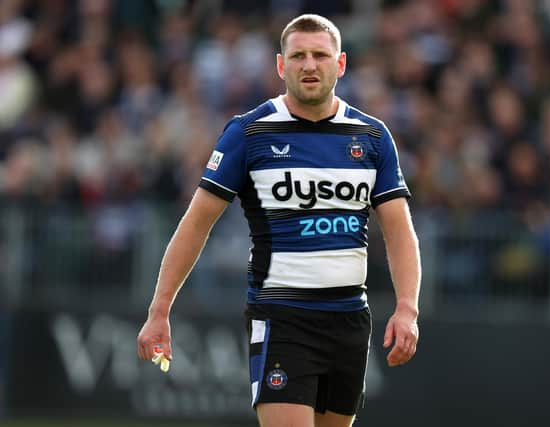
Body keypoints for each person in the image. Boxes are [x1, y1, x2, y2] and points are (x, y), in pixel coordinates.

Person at [137, 14, 421, 427]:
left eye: (320, 55)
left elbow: (399, 230)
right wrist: (160, 308)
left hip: (349, 319)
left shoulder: (372, 137)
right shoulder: (249, 133)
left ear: (340, 64)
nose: (309, 65)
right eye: (299, 55)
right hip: (282, 316)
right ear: (280, 65)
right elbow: (196, 223)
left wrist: (407, 308)